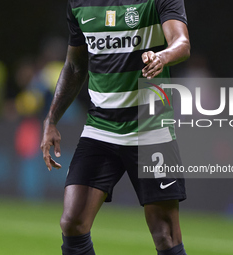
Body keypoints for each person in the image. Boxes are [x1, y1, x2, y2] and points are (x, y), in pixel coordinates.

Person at [41, 0, 190, 254]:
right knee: (72, 222)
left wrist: (162, 56)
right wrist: (51, 120)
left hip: (151, 128)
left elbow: (181, 42)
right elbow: (76, 66)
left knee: (165, 235)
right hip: (100, 128)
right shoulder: (79, 4)